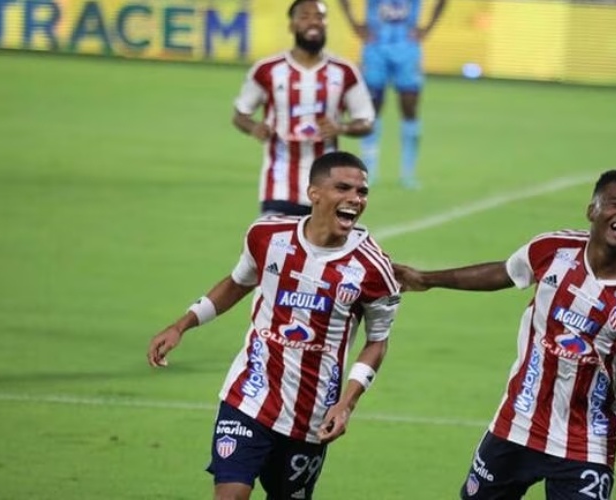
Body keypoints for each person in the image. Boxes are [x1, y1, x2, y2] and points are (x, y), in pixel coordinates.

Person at [393, 169, 616, 499]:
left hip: (586, 444)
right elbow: (503, 273)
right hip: (517, 422)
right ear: (592, 210)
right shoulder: (554, 249)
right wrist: (427, 279)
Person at [147, 151, 401, 500]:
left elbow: (377, 341)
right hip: (249, 394)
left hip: (312, 415)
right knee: (230, 494)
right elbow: (237, 283)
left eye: (362, 192)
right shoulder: (267, 235)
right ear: (314, 193)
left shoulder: (374, 268)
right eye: (343, 188)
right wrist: (181, 325)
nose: (355, 199)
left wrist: (347, 403)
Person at [233, 0, 375, 217]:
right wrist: (254, 127)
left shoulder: (344, 71)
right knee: (274, 239)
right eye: (305, 17)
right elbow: (240, 114)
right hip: (279, 183)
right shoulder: (267, 70)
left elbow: (366, 120)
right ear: (292, 25)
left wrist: (342, 128)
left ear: (326, 23)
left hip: (328, 187)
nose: (313, 22)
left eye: (319, 17)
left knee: (327, 240)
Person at [337, 0, 447, 189]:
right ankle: (369, 171)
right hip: (375, 48)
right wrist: (353, 23)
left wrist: (428, 27)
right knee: (372, 109)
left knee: (409, 107)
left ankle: (408, 173)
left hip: (407, 48)